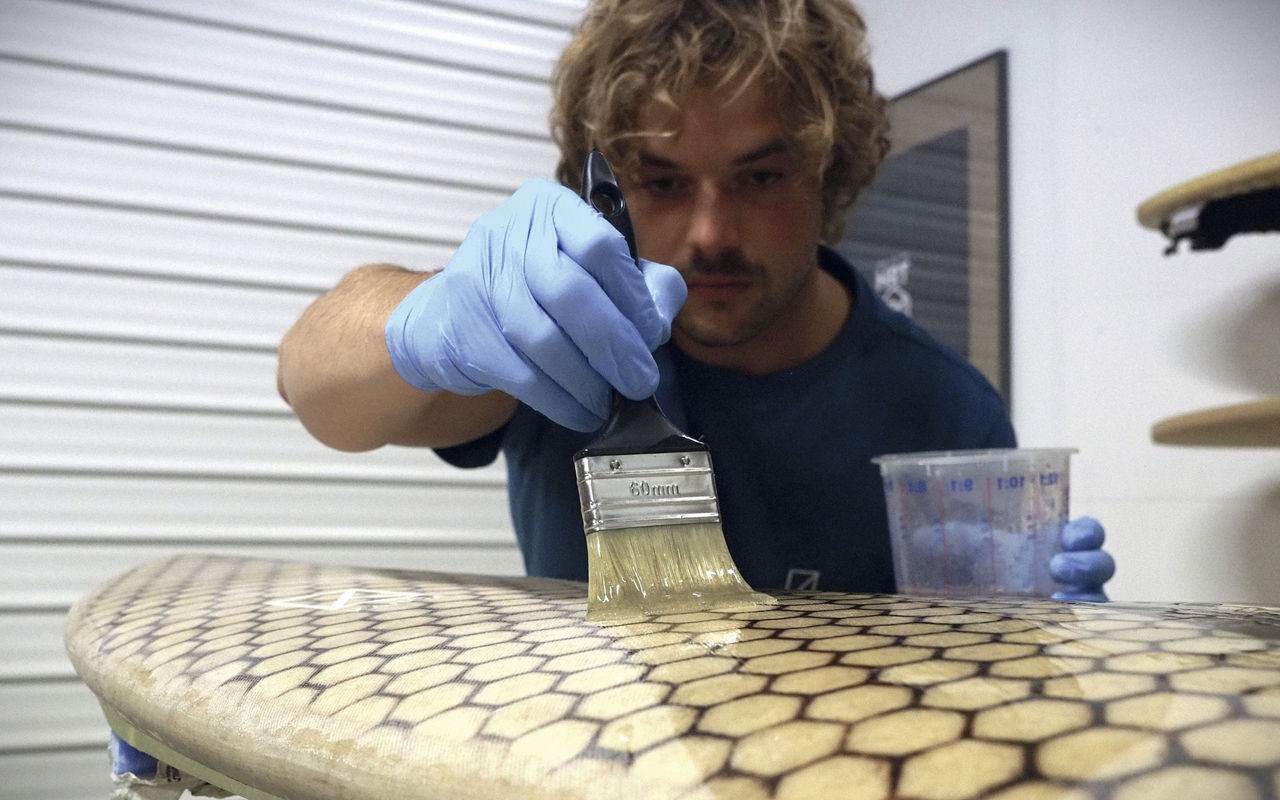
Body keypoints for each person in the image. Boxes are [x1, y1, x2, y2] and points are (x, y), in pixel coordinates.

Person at [277, 0, 1113, 600]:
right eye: (662, 181)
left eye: (760, 176)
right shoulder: (557, 340)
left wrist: (1028, 647)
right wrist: (428, 319)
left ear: (832, 173)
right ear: (608, 188)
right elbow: (315, 392)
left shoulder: (944, 411)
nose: (711, 232)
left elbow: (970, 703)